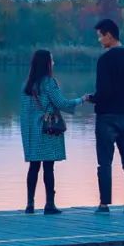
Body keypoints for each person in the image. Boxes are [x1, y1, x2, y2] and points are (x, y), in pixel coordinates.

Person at [20, 49, 86, 214]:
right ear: (46, 64)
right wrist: (82, 100)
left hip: (31, 131)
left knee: (34, 166)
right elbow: (62, 103)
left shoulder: (27, 85)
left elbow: (25, 111)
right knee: (48, 166)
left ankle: (30, 205)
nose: (53, 63)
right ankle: (49, 205)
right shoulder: (49, 83)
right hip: (47, 129)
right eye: (52, 60)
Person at [86, 19, 124, 214]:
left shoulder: (105, 60)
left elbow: (104, 91)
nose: (99, 40)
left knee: (104, 162)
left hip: (107, 117)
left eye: (100, 36)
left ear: (109, 35)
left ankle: (104, 205)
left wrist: (92, 98)